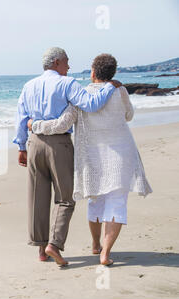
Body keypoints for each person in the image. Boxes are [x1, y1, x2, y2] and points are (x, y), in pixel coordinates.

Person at [29, 53, 153, 266]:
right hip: (121, 154)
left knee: (96, 201)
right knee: (116, 203)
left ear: (93, 72)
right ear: (112, 73)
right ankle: (104, 253)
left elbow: (61, 124)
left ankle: (96, 244)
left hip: (92, 158)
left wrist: (35, 125)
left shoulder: (81, 95)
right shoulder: (119, 90)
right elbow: (129, 115)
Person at [13, 47, 122, 267]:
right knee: (65, 199)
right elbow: (91, 105)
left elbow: (21, 116)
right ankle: (55, 244)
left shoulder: (29, 85)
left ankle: (42, 250)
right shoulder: (67, 83)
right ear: (56, 62)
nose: (69, 66)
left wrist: (21, 147)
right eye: (66, 62)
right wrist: (109, 87)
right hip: (59, 144)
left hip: (34, 143)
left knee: (38, 198)